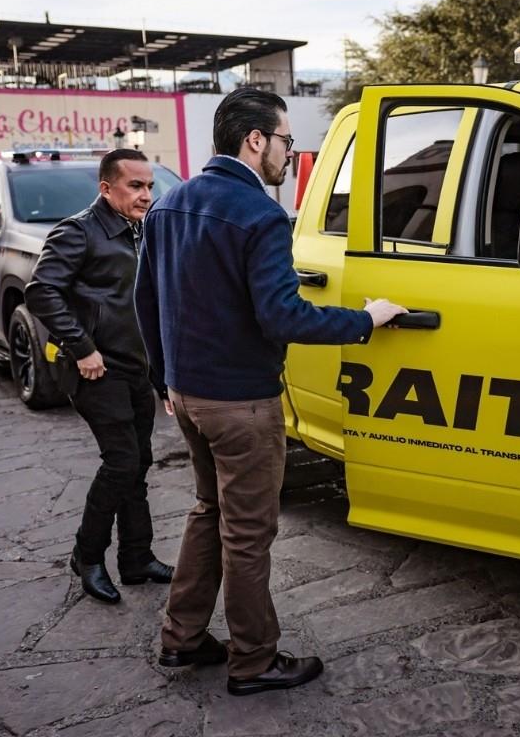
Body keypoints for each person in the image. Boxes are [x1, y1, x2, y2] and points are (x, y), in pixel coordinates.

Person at [136, 88, 405, 694]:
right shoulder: (259, 215)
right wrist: (367, 320)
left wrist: (165, 380)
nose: (290, 151)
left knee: (209, 512)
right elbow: (283, 318)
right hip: (243, 405)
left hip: (190, 398)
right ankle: (254, 660)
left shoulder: (169, 204)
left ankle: (181, 638)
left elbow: (145, 303)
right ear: (254, 140)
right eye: (286, 140)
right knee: (248, 536)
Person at [26, 149, 174, 605]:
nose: (146, 194)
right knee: (122, 462)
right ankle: (87, 556)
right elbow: (41, 291)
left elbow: (150, 304)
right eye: (136, 186)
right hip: (96, 369)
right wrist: (82, 347)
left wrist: (163, 376)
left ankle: (137, 558)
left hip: (136, 367)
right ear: (107, 188)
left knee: (140, 462)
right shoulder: (78, 231)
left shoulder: (143, 230)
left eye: (150, 186)